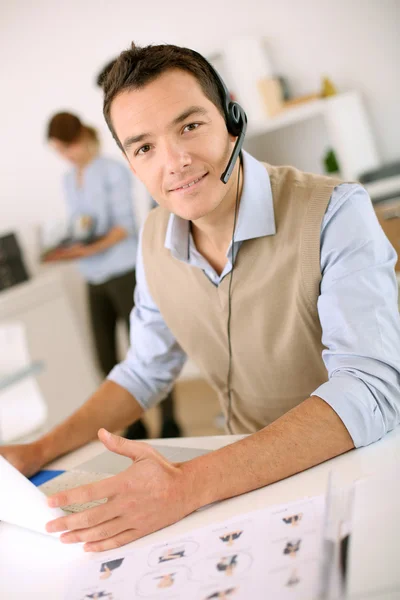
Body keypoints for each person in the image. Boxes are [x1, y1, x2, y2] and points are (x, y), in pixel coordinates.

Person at [1, 42, 399, 554]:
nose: (175, 162)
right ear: (131, 164)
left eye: (189, 126)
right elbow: (144, 370)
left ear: (232, 119)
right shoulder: (152, 240)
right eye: (144, 148)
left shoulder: (335, 212)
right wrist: (37, 451)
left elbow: (371, 388)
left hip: (359, 470)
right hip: (243, 480)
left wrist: (187, 483)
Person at [44, 111, 181, 440]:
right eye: (58, 152)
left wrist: (87, 249)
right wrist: (69, 247)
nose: (64, 157)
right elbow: (82, 225)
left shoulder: (112, 170)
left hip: (122, 269)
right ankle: (134, 424)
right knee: (105, 357)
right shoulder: (68, 180)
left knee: (150, 350)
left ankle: (169, 423)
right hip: (92, 277)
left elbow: (123, 227)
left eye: (66, 148)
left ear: (79, 139)